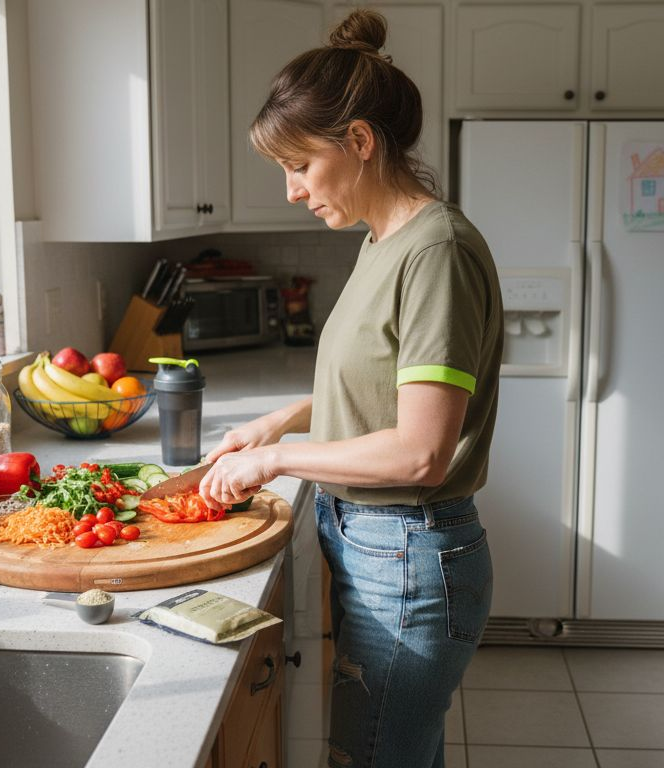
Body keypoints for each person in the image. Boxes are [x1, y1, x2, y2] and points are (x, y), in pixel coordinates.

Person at [197, 9, 502, 768]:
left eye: (300, 166)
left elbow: (421, 453)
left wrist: (278, 460)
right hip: (374, 541)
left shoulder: (436, 252)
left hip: (407, 551)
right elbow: (383, 378)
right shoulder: (383, 242)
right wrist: (280, 419)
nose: (293, 192)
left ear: (360, 142)